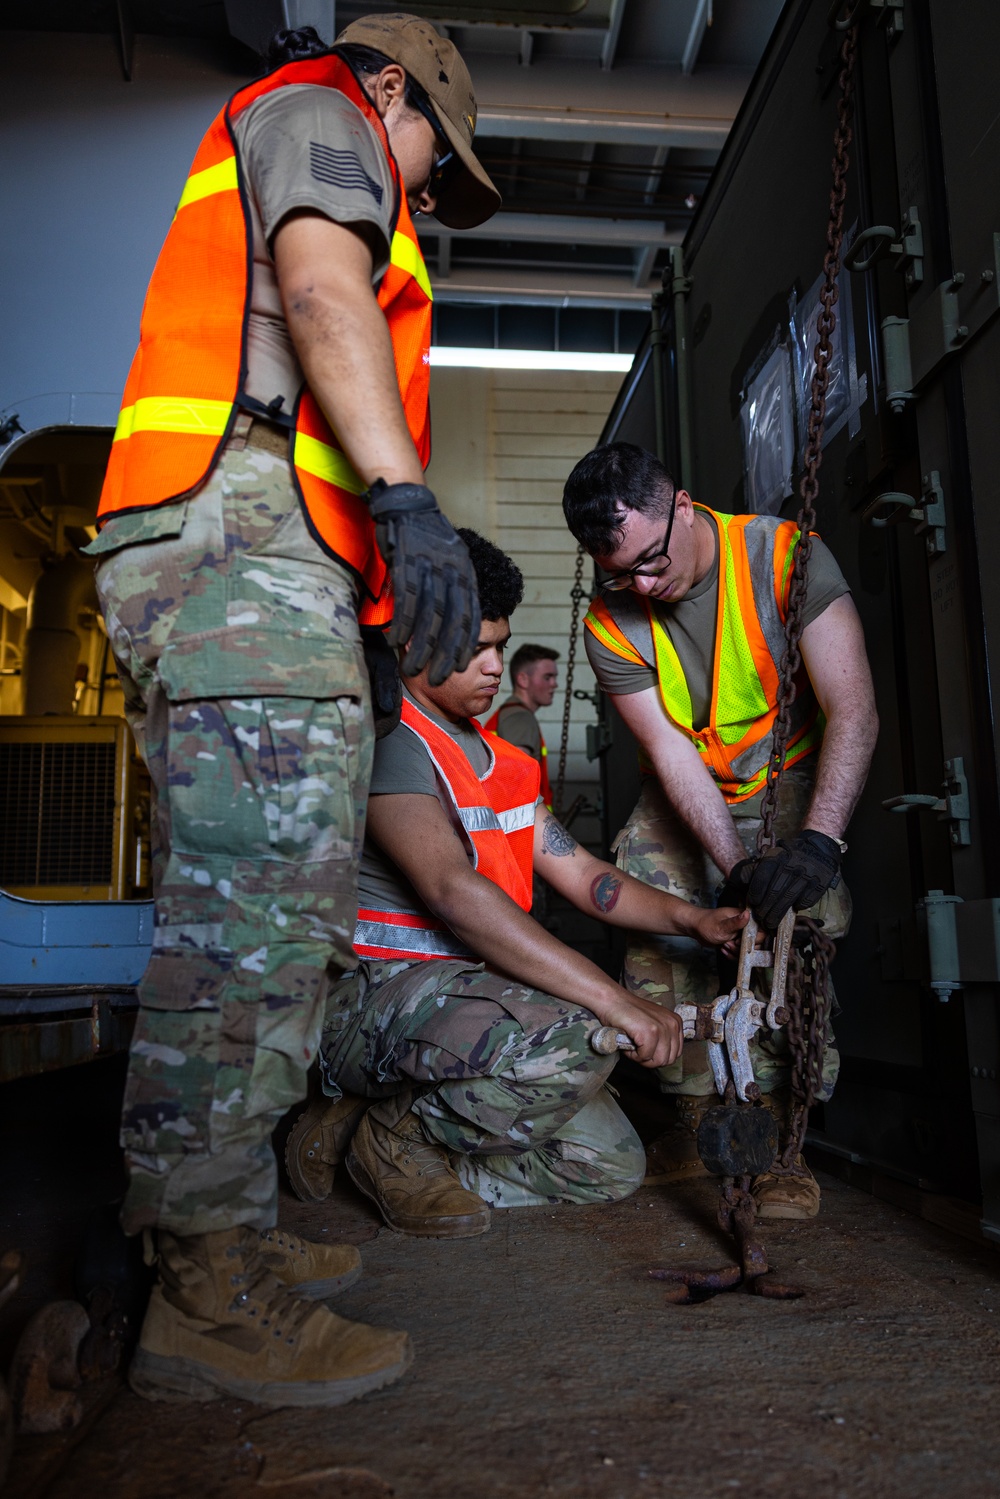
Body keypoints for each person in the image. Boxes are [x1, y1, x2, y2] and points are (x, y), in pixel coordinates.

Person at [85, 14, 501, 1407]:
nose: (426, 194)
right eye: (434, 157)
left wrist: (372, 589)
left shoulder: (324, 126)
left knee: (279, 909)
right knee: (253, 916)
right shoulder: (325, 108)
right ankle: (205, 1290)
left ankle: (230, 1229)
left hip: (264, 547)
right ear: (395, 90)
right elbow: (323, 295)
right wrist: (406, 504)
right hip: (237, 535)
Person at [285, 530, 747, 1235]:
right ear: (408, 643)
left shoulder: (504, 762)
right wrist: (615, 999)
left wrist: (693, 920)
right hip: (372, 1002)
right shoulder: (389, 742)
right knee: (584, 1029)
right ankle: (395, 1137)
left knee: (609, 1164)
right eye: (473, 647)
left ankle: (368, 1144)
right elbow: (451, 891)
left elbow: (589, 878)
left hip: (470, 1007)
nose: (495, 665)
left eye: (500, 644)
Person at [561, 442, 878, 1220]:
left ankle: (787, 1139)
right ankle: (700, 1112)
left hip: (791, 778)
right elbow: (670, 749)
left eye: (650, 558)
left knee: (794, 935)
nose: (641, 583)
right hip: (694, 790)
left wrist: (817, 844)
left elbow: (854, 712)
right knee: (654, 899)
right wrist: (732, 864)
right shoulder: (613, 617)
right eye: (618, 572)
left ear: (683, 503)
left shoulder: (782, 557)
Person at [482, 643, 559, 807]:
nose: (554, 684)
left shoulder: (509, 713)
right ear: (523, 679)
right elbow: (518, 784)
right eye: (547, 677)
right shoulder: (520, 718)